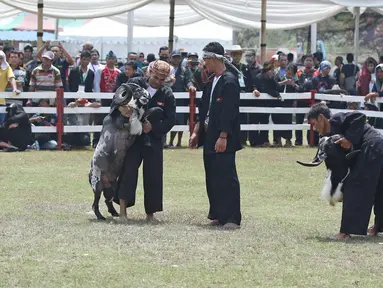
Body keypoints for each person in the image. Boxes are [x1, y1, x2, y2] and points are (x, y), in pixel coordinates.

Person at [307, 103, 383, 239]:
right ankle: (378, 226)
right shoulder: (329, 136)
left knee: (355, 185)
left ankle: (346, 232)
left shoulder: (337, 118)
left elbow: (360, 116)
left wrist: (349, 139)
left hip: (373, 146)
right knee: (379, 187)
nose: (314, 128)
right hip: (376, 148)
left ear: (321, 117)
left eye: (313, 124)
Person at [189, 42, 242, 229]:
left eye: (206, 59)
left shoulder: (230, 81)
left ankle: (231, 218)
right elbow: (204, 109)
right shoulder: (212, 81)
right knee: (212, 175)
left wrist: (223, 136)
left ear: (214, 59)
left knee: (226, 176)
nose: (204, 63)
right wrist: (196, 132)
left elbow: (230, 111)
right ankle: (218, 213)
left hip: (223, 137)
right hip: (209, 135)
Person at [116, 60, 175, 222]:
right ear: (149, 72)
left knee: (153, 175)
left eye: (162, 79)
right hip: (132, 137)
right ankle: (122, 212)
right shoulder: (135, 83)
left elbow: (170, 120)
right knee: (128, 171)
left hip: (153, 140)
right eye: (156, 77)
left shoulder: (167, 94)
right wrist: (125, 111)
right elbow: (119, 98)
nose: (158, 81)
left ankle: (151, 214)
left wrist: (154, 128)